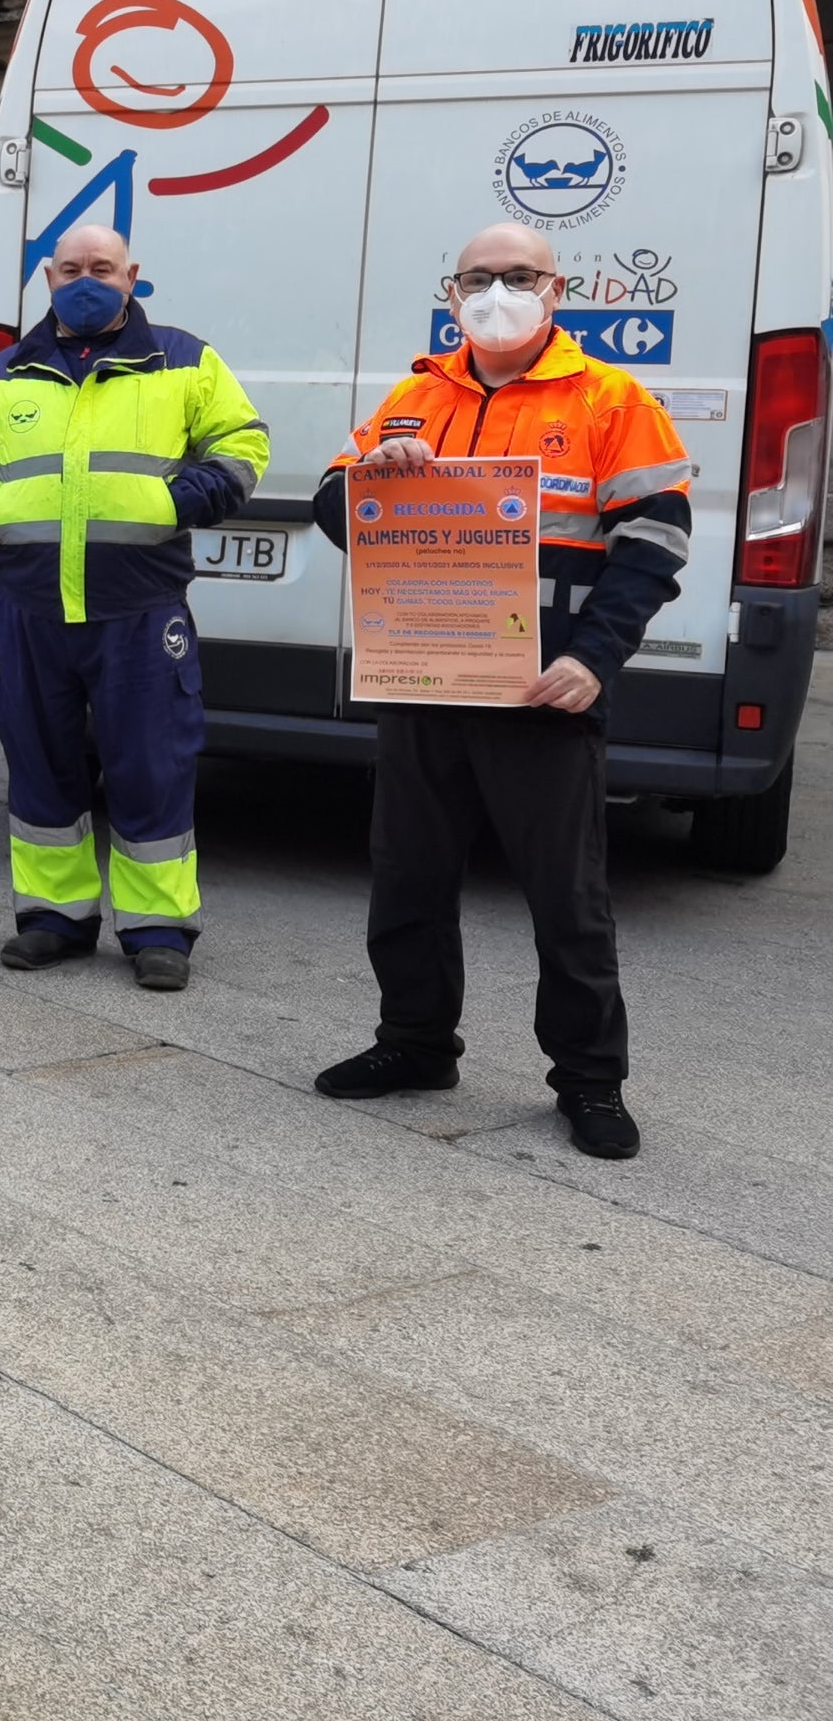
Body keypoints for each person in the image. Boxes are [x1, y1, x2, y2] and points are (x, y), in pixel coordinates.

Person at [310, 225, 691, 1162]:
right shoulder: (415, 395)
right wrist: (369, 482)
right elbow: (333, 508)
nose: (497, 293)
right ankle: (414, 1044)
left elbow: (658, 544)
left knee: (567, 900)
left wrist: (596, 657)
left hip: (542, 690)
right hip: (427, 680)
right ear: (452, 295)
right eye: (478, 279)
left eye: (517, 277)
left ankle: (591, 1083)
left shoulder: (611, 399)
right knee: (407, 878)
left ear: (555, 290)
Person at [0, 225, 268, 992]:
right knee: (40, 767)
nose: (87, 279)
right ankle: (53, 918)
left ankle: (157, 929)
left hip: (140, 606)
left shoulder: (182, 358)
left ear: (131, 275)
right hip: (30, 604)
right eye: (72, 268)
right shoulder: (6, 369)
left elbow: (243, 446)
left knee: (151, 766)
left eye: (102, 268)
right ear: (48, 277)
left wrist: (177, 500)